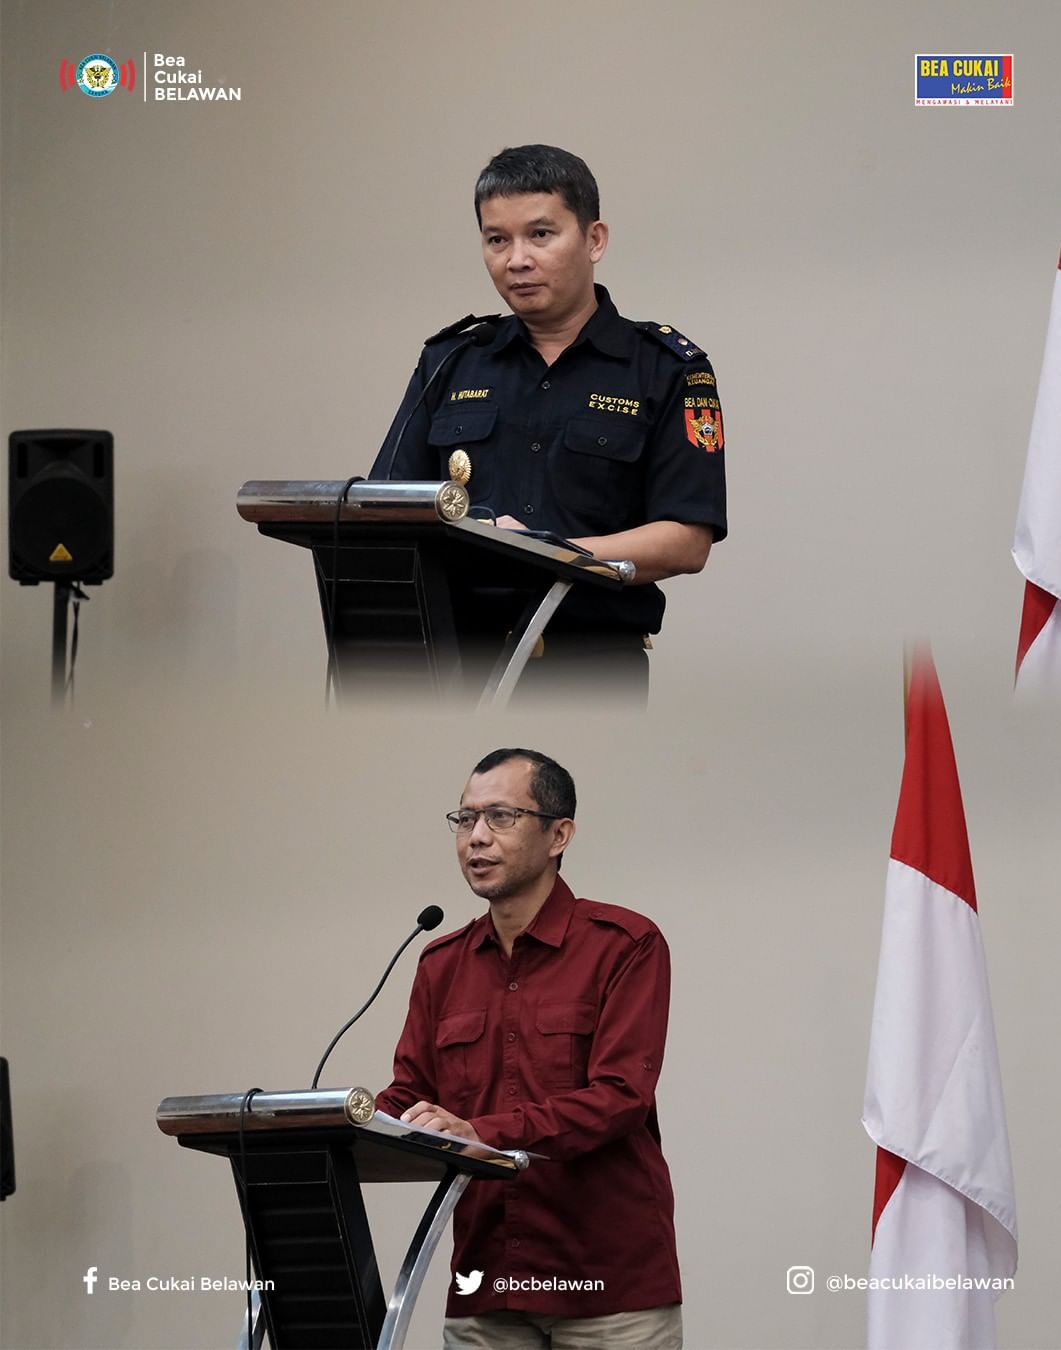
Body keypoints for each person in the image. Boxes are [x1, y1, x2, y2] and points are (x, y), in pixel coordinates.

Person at [368, 145, 727, 699]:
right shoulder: (451, 360)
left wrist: (542, 550)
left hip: (589, 669)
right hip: (452, 666)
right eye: (497, 239)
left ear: (594, 239)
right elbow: (386, 510)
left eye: (540, 234)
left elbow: (686, 541)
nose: (517, 259)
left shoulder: (665, 369)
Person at [376, 748, 682, 1349]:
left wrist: (480, 1132)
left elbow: (621, 1097)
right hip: (486, 1280)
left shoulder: (624, 944)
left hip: (606, 1286)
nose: (476, 837)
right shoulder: (441, 963)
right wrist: (337, 1123)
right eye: (465, 819)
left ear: (558, 834)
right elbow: (409, 1095)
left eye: (500, 817)